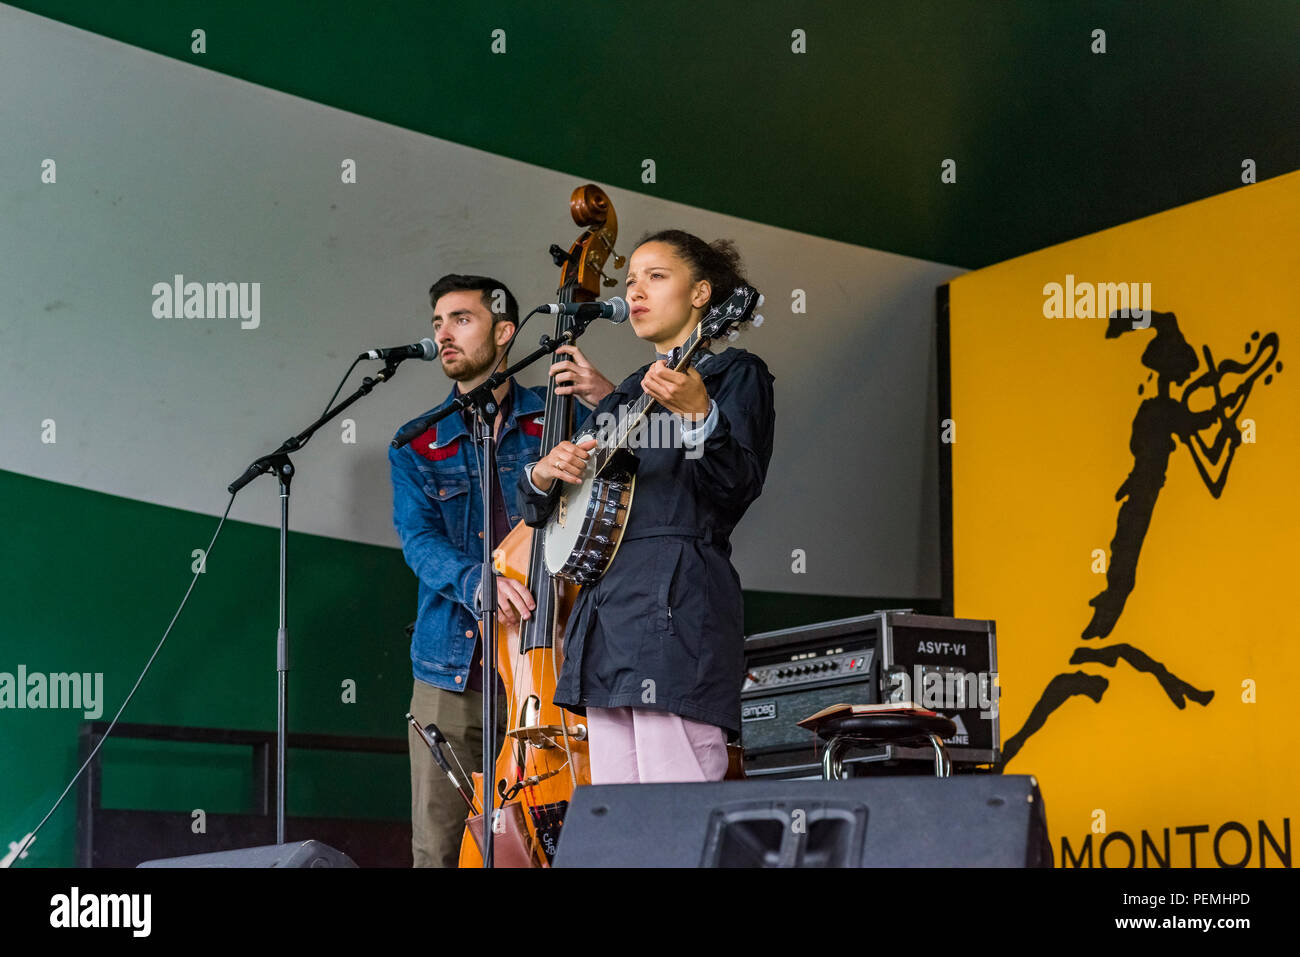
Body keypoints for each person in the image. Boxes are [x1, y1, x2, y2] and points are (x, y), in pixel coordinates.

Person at [518, 230, 775, 784]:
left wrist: (699, 415)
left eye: (656, 277)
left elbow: (736, 485)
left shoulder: (737, 373)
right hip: (607, 614)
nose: (636, 291)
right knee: (620, 820)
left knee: (674, 805)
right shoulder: (625, 393)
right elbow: (547, 514)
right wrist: (542, 475)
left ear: (704, 293)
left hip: (676, 605)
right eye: (630, 280)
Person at [388, 273, 613, 866]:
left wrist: (606, 401)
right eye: (438, 323)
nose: (444, 335)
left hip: (551, 660)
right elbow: (418, 540)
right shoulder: (415, 441)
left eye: (461, 319)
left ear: (506, 332)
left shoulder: (558, 418)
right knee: (438, 846)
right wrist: (475, 582)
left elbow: (614, 506)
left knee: (559, 842)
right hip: (453, 667)